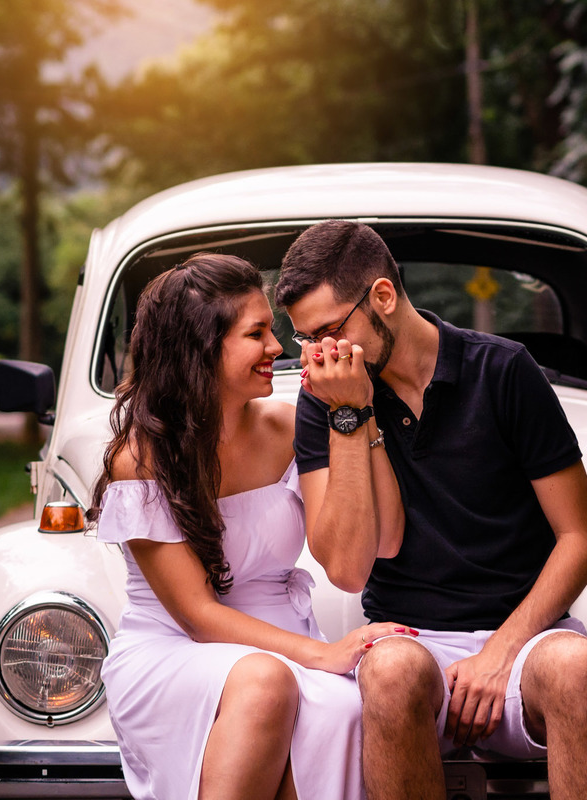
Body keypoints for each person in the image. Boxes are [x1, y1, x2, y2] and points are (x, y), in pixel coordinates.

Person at [276, 221, 587, 800]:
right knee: (390, 674)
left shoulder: (504, 369)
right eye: (306, 340)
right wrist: (351, 414)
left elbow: (582, 537)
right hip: (409, 638)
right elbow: (345, 567)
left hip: (525, 639)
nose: (318, 354)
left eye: (329, 332)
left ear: (383, 298)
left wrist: (498, 654)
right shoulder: (325, 398)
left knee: (577, 667)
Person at [87, 252, 409, 800]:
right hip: (175, 648)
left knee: (343, 711)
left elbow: (371, 551)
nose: (279, 347)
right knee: (264, 682)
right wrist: (328, 654)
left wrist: (352, 414)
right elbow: (198, 616)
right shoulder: (141, 456)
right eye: (256, 333)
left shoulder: (287, 427)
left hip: (285, 637)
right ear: (200, 349)